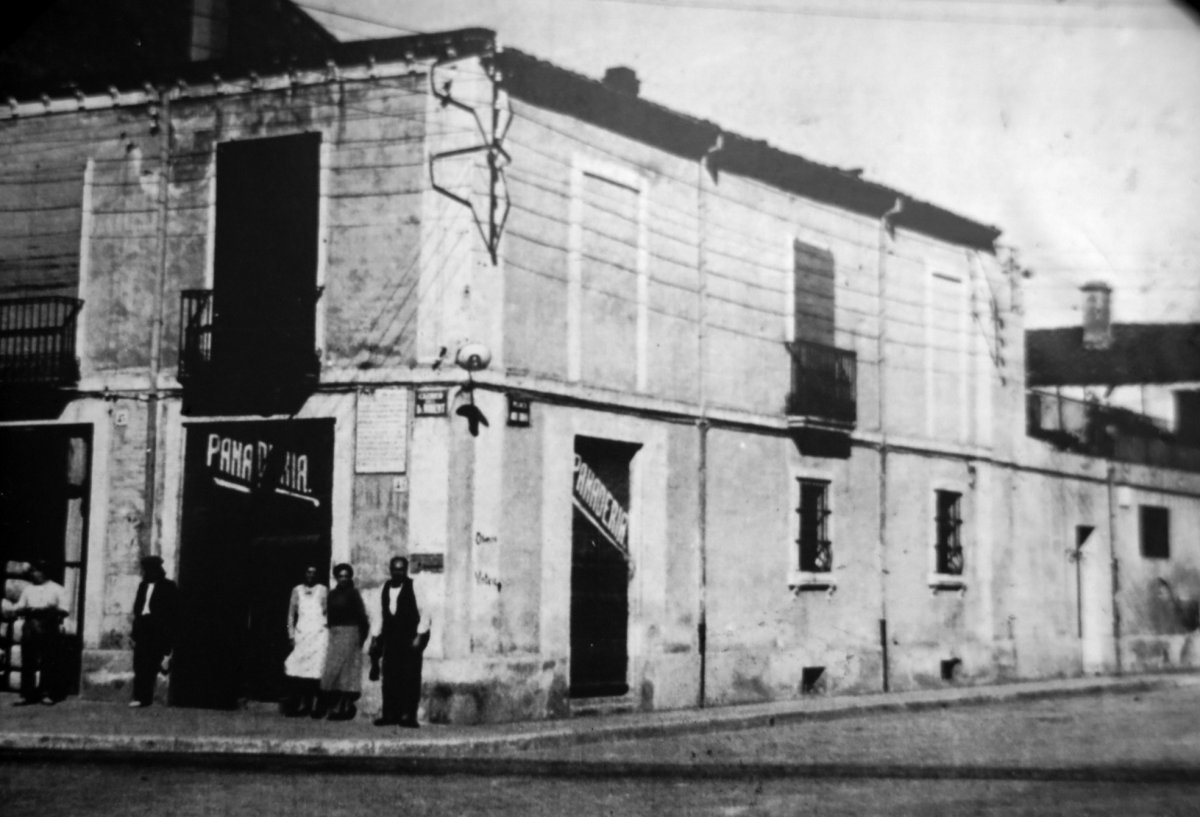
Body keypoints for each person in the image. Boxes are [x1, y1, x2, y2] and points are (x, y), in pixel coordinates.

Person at [371, 556, 430, 728]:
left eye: (401, 569)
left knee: (409, 677)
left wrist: (419, 636)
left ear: (406, 570)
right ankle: (389, 714)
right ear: (390, 570)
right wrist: (375, 637)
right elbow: (378, 615)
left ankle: (408, 716)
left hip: (409, 639)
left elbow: (425, 612)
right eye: (395, 569)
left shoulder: (414, 586)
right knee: (389, 677)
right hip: (391, 639)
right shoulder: (384, 587)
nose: (398, 572)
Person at [12, 561, 69, 706]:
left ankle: (46, 693)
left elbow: (64, 610)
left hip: (48, 626)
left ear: (43, 572)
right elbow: (20, 606)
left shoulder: (57, 589)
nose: (33, 575)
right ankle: (26, 694)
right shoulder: (28, 590)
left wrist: (49, 610)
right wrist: (20, 610)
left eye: (35, 571)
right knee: (28, 660)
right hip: (30, 626)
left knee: (48, 660)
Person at [317, 563, 369, 721]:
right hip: (335, 634)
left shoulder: (353, 594)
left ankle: (343, 708)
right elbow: (327, 615)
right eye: (340, 576)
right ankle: (330, 706)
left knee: (346, 673)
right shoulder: (331, 594)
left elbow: (363, 618)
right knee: (332, 671)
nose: (343, 579)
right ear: (336, 577)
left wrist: (360, 639)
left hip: (350, 634)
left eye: (346, 576)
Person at [129, 556, 179, 708]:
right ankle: (139, 697)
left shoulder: (168, 586)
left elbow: (172, 611)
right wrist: (134, 633)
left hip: (157, 628)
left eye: (151, 569)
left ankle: (148, 697)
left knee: (152, 663)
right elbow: (138, 610)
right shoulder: (142, 586)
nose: (148, 573)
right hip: (143, 627)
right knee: (139, 663)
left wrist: (166, 634)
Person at [281, 565, 328, 717]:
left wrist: (325, 631)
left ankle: (315, 704)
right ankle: (300, 703)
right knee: (297, 669)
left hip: (318, 636)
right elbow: (290, 616)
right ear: (304, 574)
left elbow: (327, 613)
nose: (311, 575)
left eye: (314, 573)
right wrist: (291, 635)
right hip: (302, 636)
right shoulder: (297, 590)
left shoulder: (322, 590)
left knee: (316, 671)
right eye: (308, 572)